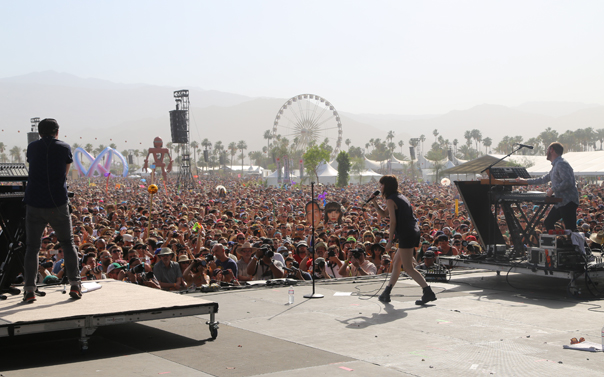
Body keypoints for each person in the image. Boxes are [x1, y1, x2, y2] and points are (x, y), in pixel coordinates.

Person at [23, 118, 81, 303]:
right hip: (57, 202)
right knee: (67, 243)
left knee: (32, 248)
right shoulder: (64, 147)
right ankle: (75, 285)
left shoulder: (32, 147)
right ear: (57, 131)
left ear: (39, 133)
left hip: (34, 202)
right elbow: (64, 173)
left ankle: (30, 290)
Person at [372, 175, 436, 305]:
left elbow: (393, 222)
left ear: (387, 186)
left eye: (382, 184)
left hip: (406, 234)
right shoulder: (400, 197)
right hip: (412, 232)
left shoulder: (391, 199)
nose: (380, 187)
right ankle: (387, 292)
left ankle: (427, 291)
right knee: (396, 262)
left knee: (408, 267)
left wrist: (390, 241)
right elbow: (384, 214)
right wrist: (374, 202)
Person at [516, 142, 579, 231]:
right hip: (561, 202)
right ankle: (557, 243)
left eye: (547, 150)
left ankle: (580, 245)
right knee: (548, 222)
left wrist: (553, 189)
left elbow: (569, 182)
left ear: (552, 150)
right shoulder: (555, 166)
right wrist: (525, 181)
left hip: (568, 202)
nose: (546, 152)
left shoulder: (562, 164)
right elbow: (543, 179)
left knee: (571, 229)